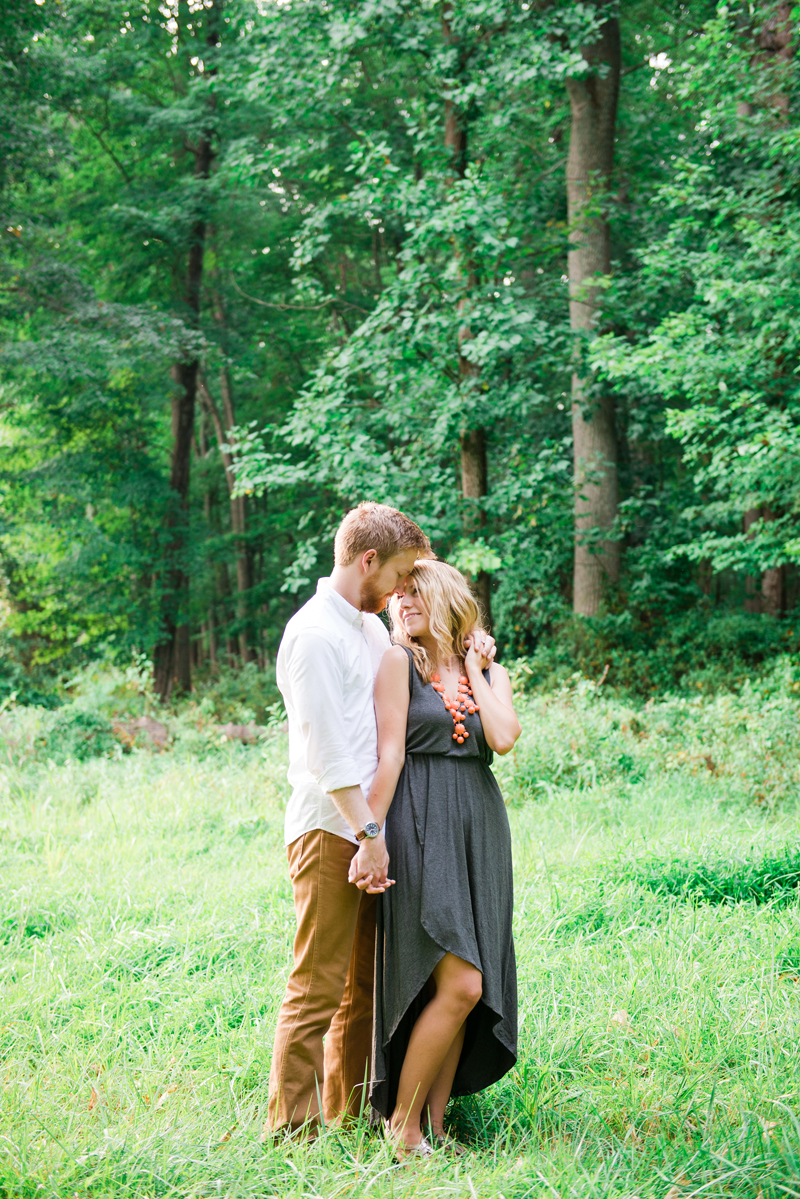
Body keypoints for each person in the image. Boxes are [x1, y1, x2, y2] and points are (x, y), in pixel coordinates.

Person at [265, 502, 432, 1135]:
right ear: (367, 562)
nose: (399, 590)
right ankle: (292, 1132)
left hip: (368, 832)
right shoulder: (313, 635)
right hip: (331, 828)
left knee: (361, 986)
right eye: (395, 574)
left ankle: (346, 1112)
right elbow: (327, 754)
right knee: (317, 985)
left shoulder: (365, 627)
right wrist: (368, 834)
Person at [358, 558, 521, 1157]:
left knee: (458, 987)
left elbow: (502, 737)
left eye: (412, 593)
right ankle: (401, 1125)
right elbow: (389, 754)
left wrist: (476, 669)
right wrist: (370, 834)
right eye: (395, 596)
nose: (400, 603)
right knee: (461, 984)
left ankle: (437, 1124)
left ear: (446, 597)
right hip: (419, 821)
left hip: (479, 827)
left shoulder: (490, 671)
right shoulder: (398, 663)